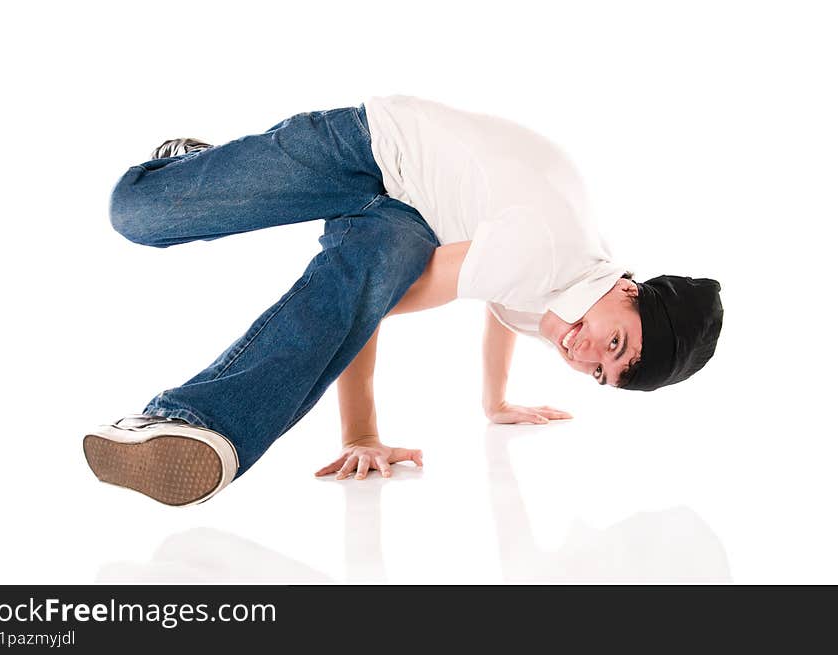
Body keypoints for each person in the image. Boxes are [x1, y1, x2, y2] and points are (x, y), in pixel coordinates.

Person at [83, 95, 723, 506]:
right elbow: (370, 306)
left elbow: (506, 310)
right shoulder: (546, 249)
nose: (585, 358)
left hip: (418, 221)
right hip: (365, 148)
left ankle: (196, 424)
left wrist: (494, 402)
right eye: (614, 344)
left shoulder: (577, 299)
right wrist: (362, 432)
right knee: (137, 215)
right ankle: (197, 169)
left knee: (375, 272)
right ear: (631, 291)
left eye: (602, 375)